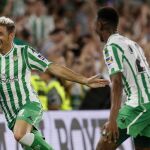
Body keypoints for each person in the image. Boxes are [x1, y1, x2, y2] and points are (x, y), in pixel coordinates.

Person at [0, 16, 109, 150]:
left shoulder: (24, 52)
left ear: (11, 35)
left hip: (29, 104)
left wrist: (84, 80)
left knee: (20, 134)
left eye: (0, 34)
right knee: (31, 145)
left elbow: (52, 67)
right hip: (11, 115)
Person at [95, 7, 150, 150]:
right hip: (146, 101)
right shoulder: (133, 44)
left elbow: (117, 83)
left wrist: (112, 120)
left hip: (140, 104)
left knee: (103, 146)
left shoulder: (111, 46)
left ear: (100, 24)